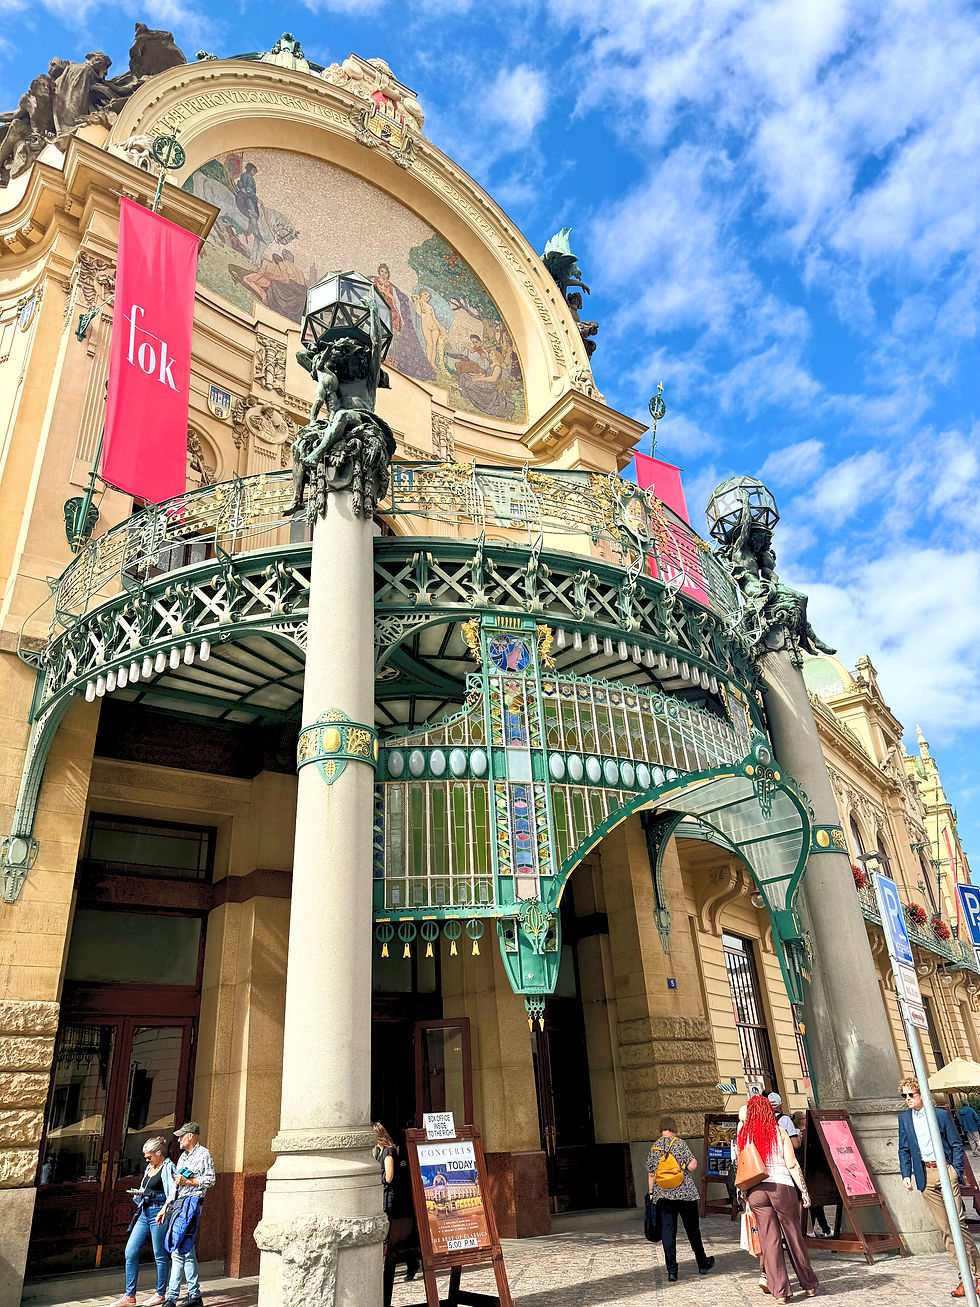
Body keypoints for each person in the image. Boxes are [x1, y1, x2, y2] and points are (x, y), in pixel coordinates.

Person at [898, 1075, 980, 1297]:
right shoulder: (905, 1119)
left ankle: (978, 1274)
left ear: (921, 1093)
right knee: (946, 1230)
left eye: (911, 1095)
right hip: (925, 1176)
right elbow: (904, 1148)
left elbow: (955, 1144)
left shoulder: (940, 1115)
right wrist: (906, 1174)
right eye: (904, 1095)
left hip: (945, 1171)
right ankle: (965, 1279)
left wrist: (955, 1171)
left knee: (958, 1225)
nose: (907, 1099)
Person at [739, 1095, 817, 1304]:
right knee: (793, 1236)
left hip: (756, 1191)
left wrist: (745, 1196)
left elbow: (743, 1167)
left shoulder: (745, 1136)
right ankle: (809, 1285)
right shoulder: (779, 1131)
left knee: (769, 1241)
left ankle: (781, 1292)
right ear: (768, 1111)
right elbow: (792, 1164)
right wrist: (805, 1192)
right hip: (782, 1188)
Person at [646, 1116, 715, 1284]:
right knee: (692, 1230)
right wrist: (689, 1163)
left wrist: (651, 1194)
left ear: (661, 1128)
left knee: (668, 1232)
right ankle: (702, 1263)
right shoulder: (680, 1143)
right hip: (685, 1194)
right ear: (674, 1127)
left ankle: (672, 1271)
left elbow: (651, 1173)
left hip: (663, 1194)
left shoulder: (654, 1147)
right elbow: (692, 1165)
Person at [110, 1136, 175, 1307]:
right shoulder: (149, 1168)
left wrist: (163, 1210)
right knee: (130, 1252)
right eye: (145, 1156)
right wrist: (138, 1194)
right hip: (144, 1212)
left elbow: (172, 1193)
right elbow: (145, 1188)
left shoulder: (168, 1167)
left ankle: (160, 1293)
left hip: (159, 1213)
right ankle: (129, 1296)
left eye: (149, 1156)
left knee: (160, 1254)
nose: (146, 1159)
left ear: (159, 1153)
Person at [162, 1121, 214, 1307]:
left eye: (181, 1136)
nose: (178, 1139)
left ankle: (171, 1297)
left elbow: (210, 1179)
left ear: (190, 1136)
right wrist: (166, 1206)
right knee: (187, 1250)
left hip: (192, 1204)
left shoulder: (204, 1154)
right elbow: (176, 1185)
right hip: (179, 1204)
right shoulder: (183, 1157)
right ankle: (194, 1295)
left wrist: (188, 1181)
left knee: (177, 1250)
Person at [374, 1122, 420, 1294]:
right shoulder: (379, 1151)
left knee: (387, 1234)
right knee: (390, 1234)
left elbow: (390, 1175)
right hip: (383, 1194)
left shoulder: (388, 1151)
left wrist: (376, 1179)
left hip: (388, 1196)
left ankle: (407, 1262)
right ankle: (410, 1261)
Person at [792, 1111, 831, 1237]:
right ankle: (816, 1230)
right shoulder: (801, 1135)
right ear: (801, 1120)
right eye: (803, 1118)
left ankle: (818, 1229)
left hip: (806, 1172)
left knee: (815, 1204)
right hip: (808, 1172)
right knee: (814, 1203)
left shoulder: (795, 1135)